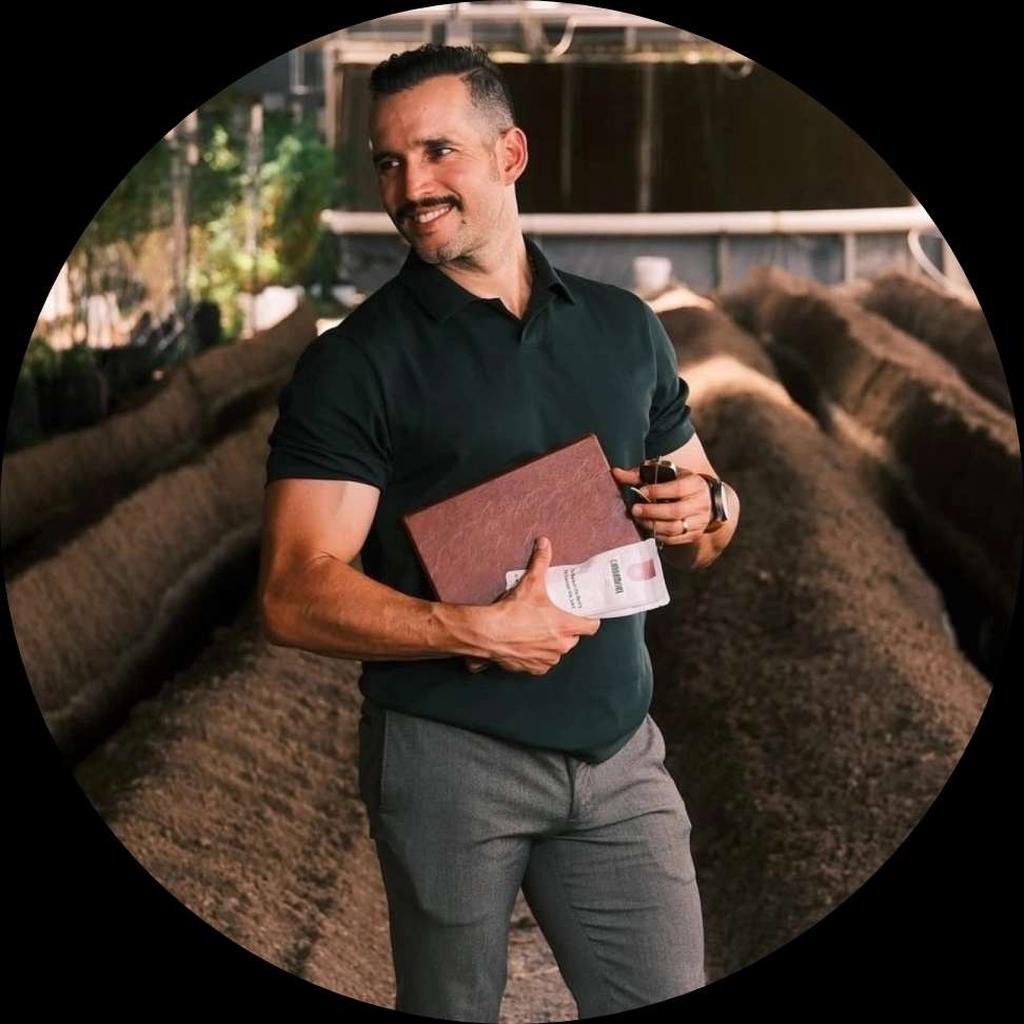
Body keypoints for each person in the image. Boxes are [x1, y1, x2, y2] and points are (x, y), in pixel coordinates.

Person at [258, 44, 740, 1022]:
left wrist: (708, 507)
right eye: (389, 162)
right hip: (449, 761)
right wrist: (474, 630)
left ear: (510, 154)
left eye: (438, 152)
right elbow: (293, 590)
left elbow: (708, 517)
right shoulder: (356, 366)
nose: (411, 187)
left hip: (618, 752)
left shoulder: (623, 328)